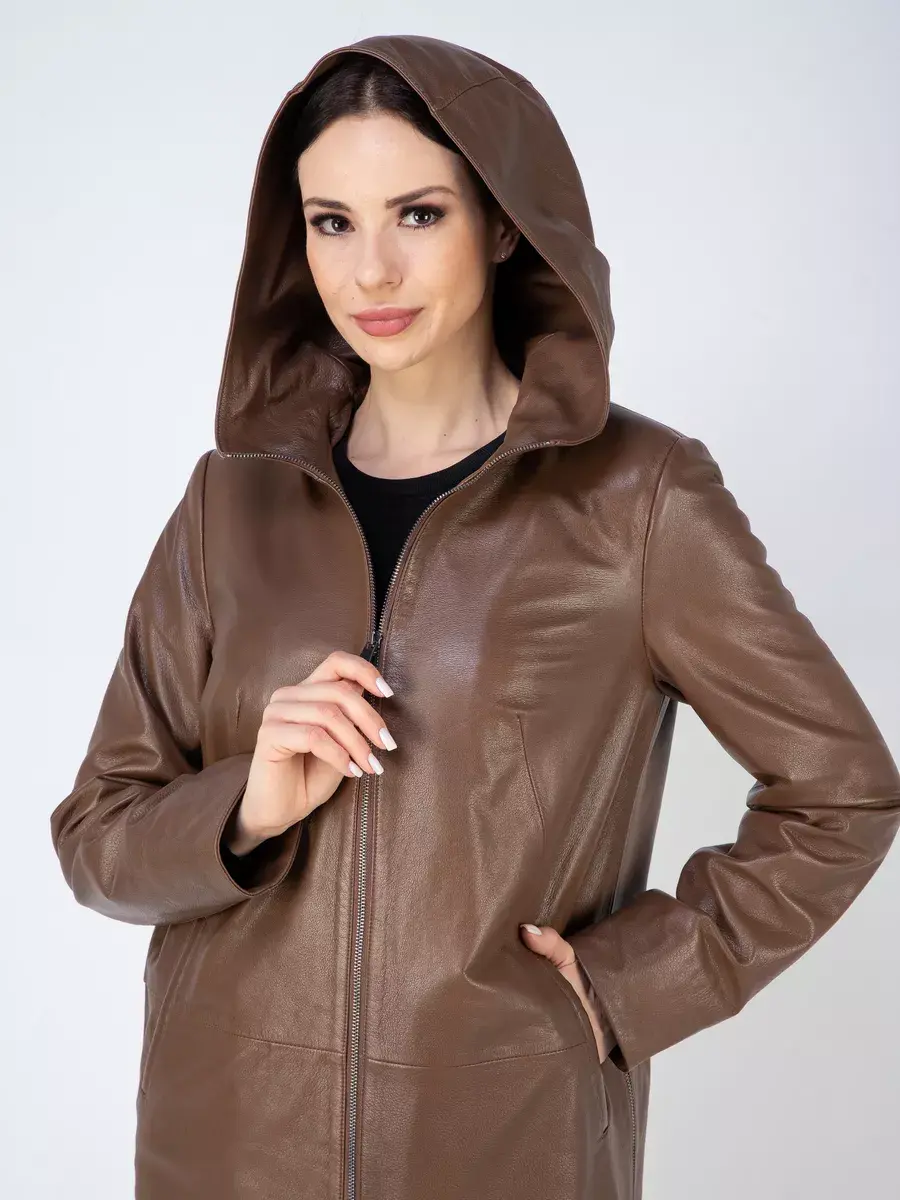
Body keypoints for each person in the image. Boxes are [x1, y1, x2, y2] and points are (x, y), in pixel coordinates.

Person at [49, 32, 900, 1200]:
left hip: (504, 1145)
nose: (371, 271)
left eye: (418, 214)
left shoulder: (638, 499)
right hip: (226, 1143)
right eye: (332, 222)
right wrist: (245, 807)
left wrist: (627, 986)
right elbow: (96, 838)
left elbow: (842, 792)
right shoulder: (229, 502)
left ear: (502, 222)